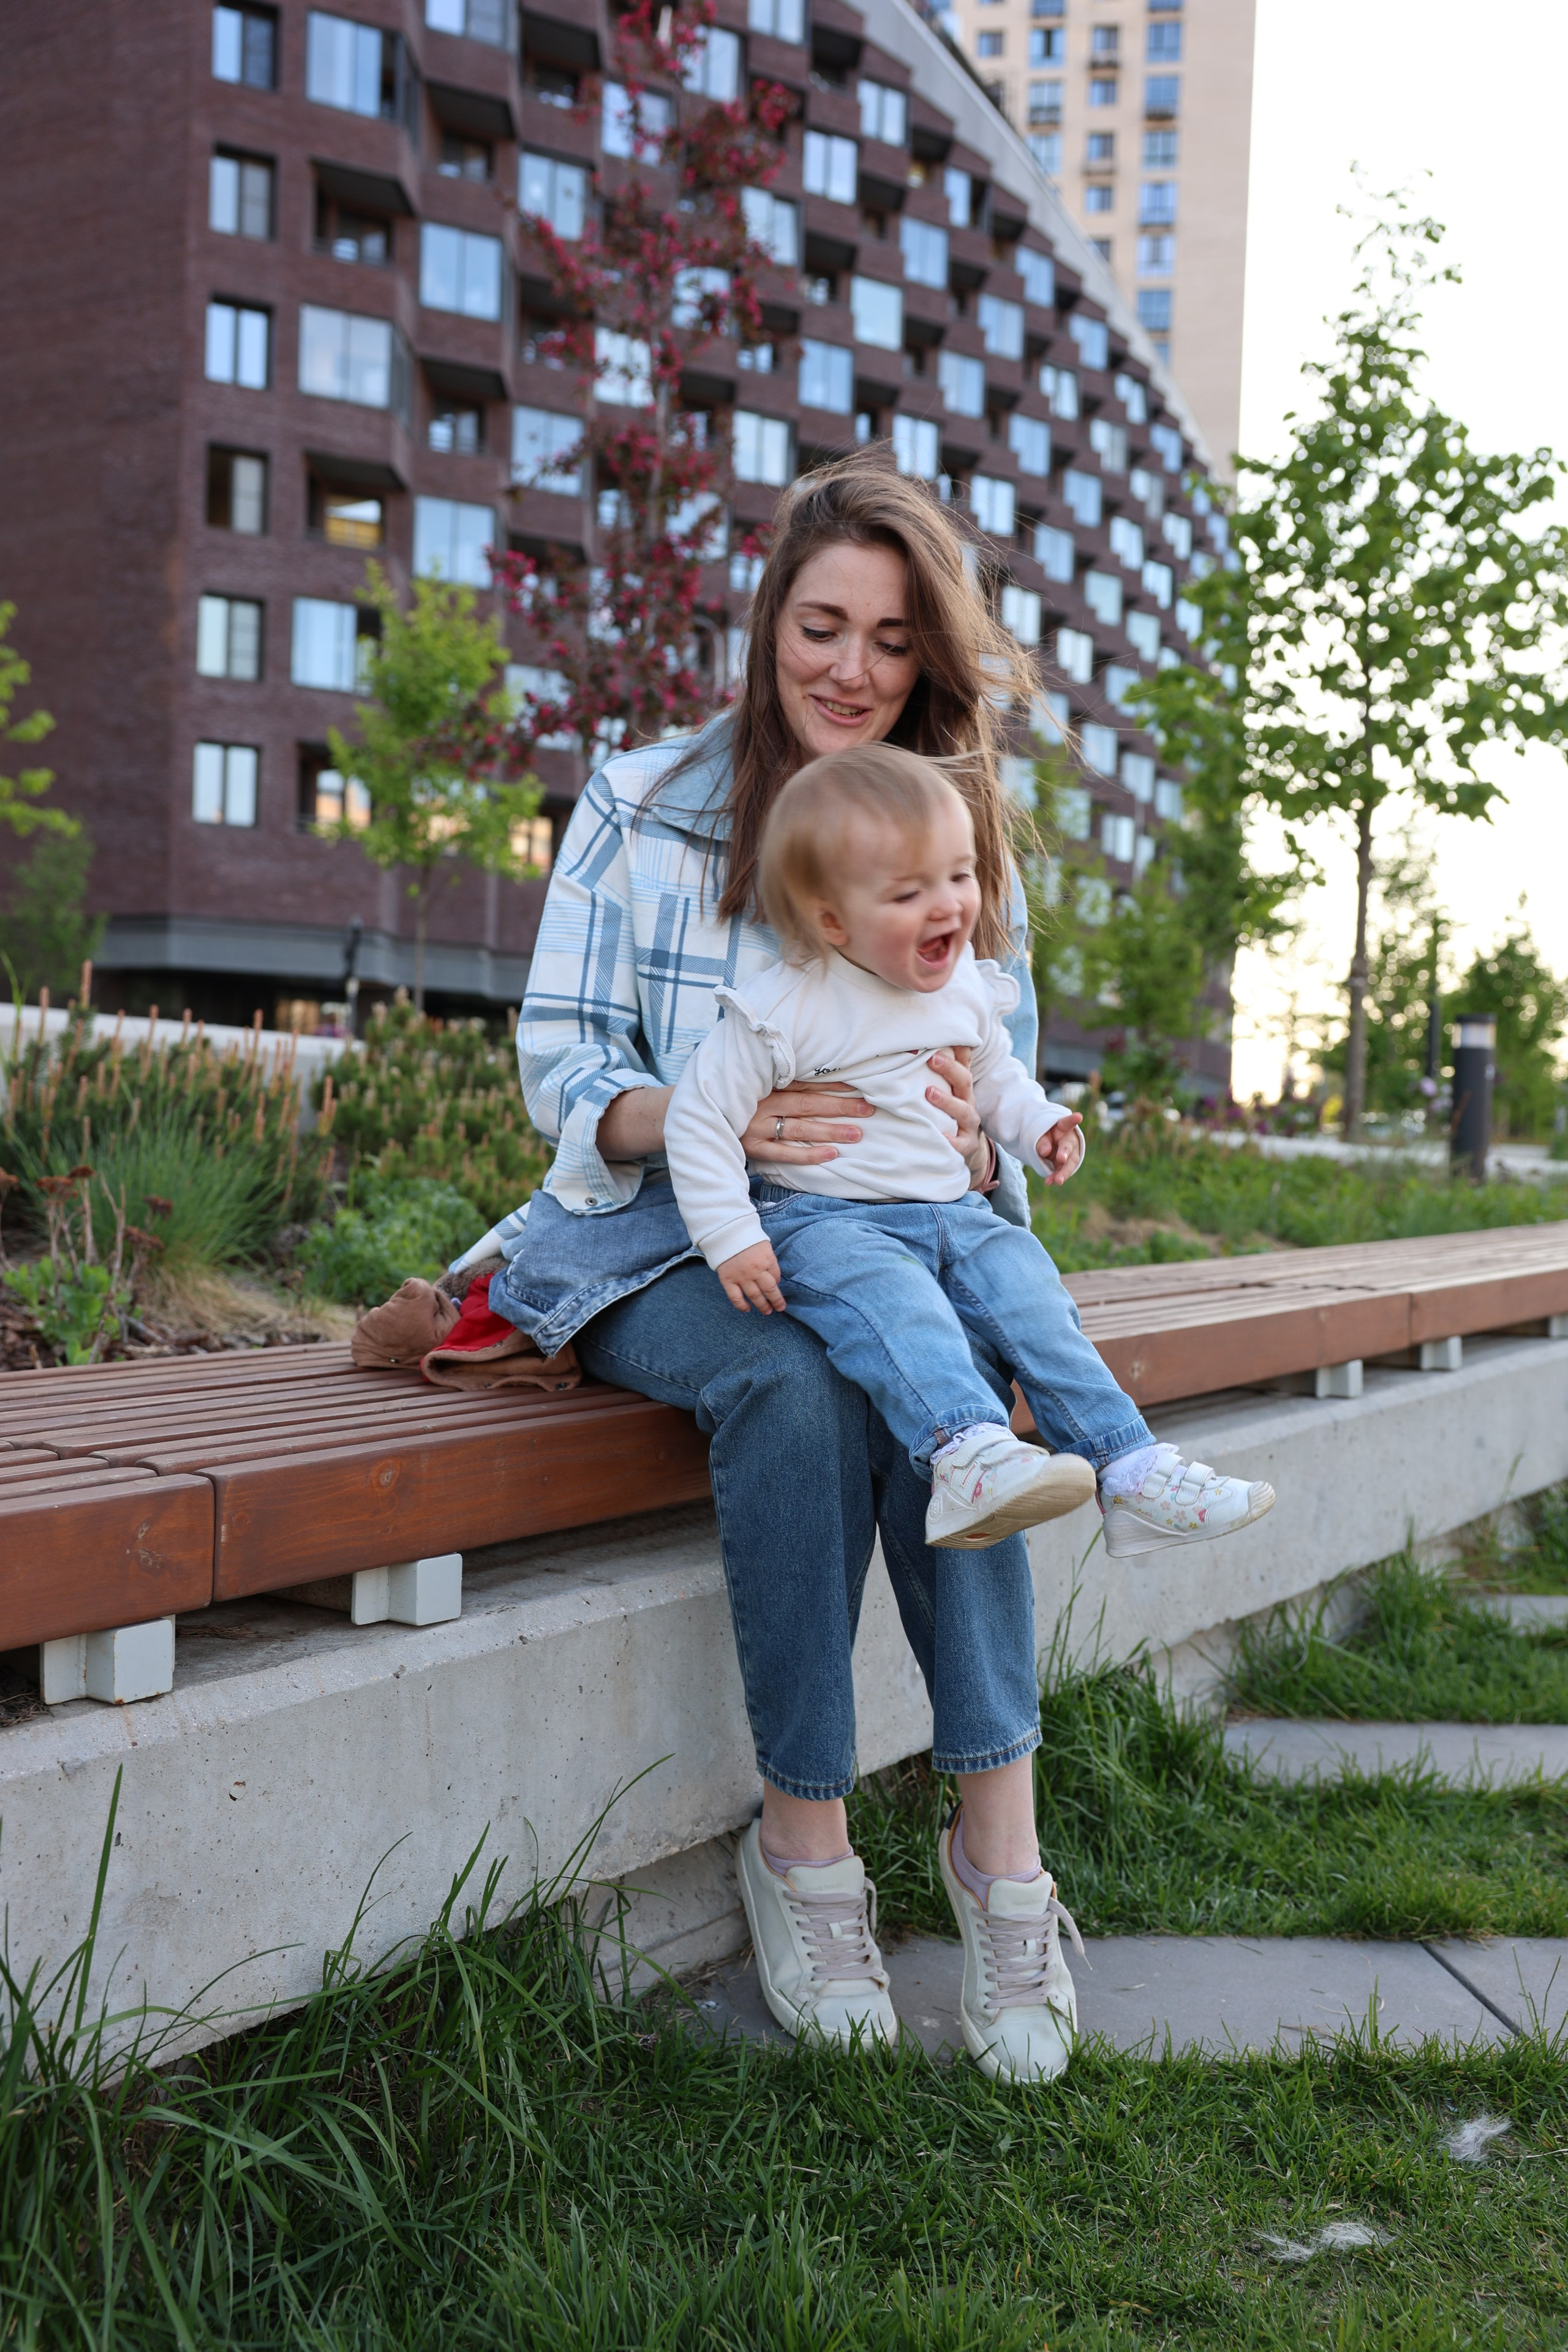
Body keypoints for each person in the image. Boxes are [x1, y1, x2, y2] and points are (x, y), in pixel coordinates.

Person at [483, 451, 1257, 2083]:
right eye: (821, 627)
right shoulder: (646, 798)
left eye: (892, 640)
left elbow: (998, 1080)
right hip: (666, 1238)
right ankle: (807, 1854)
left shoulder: (950, 834)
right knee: (799, 1379)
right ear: (771, 623)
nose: (851, 668)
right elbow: (561, 1063)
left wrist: (989, 1136)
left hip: (899, 1233)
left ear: (930, 657)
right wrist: (720, 1128)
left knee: (942, 1396)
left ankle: (1002, 1862)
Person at [662, 743, 1275, 1562]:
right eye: (909, 891)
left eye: (959, 875)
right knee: (901, 1312)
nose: (948, 904)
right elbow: (698, 1119)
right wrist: (732, 1236)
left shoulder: (964, 991)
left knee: (1036, 1305)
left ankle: (1130, 1471)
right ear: (832, 919)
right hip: (827, 1223)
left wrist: (1040, 1124)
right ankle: (967, 1456)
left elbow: (996, 1081)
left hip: (954, 1213)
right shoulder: (787, 1007)